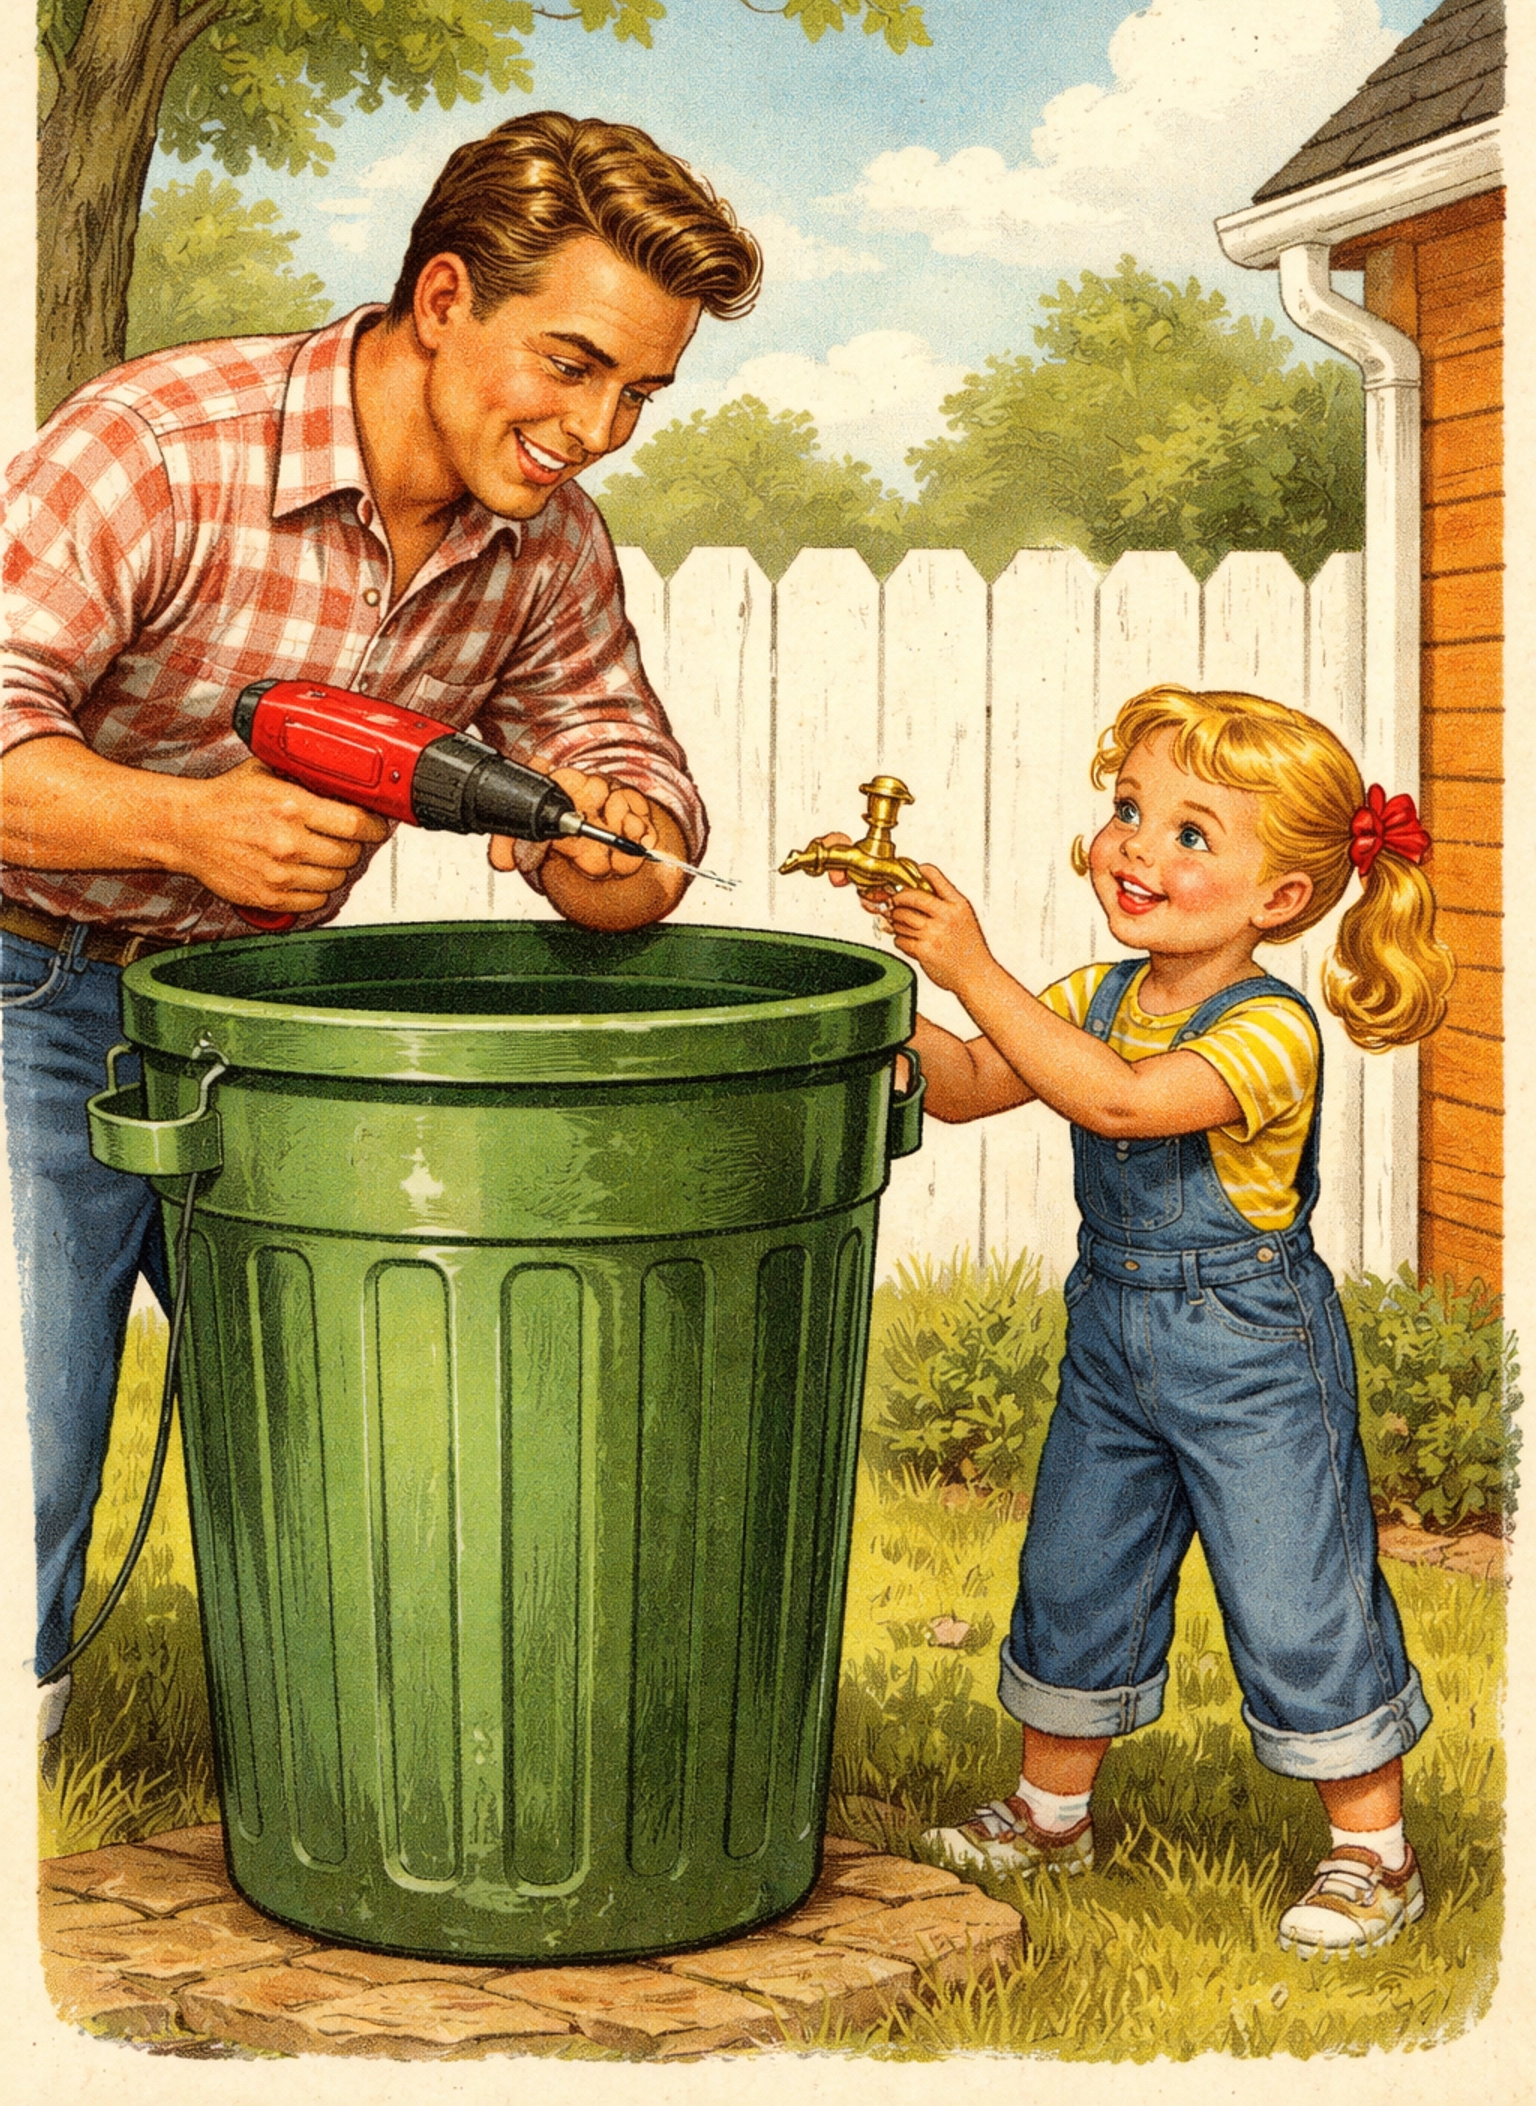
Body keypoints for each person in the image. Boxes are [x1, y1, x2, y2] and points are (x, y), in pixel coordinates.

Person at [1, 111, 761, 1756]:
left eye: (640, 394)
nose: (597, 430)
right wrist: (183, 823)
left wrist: (610, 840)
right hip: (24, 979)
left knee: (387, 1403)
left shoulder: (547, 543)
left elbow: (638, 796)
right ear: (442, 297)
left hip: (258, 1020)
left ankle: (382, 1759)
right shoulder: (159, 445)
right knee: (28, 1423)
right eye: (571, 365)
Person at [825, 684, 1452, 1961]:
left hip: (1250, 1345)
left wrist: (972, 966)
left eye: (1189, 833)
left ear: (1282, 896)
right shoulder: (1096, 993)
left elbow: (1117, 1103)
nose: (1135, 847)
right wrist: (879, 989)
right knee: (1079, 1565)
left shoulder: (1269, 1028)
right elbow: (976, 1079)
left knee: (1294, 1590)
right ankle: (1051, 1817)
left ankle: (1374, 1855)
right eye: (1129, 810)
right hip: (1113, 1327)